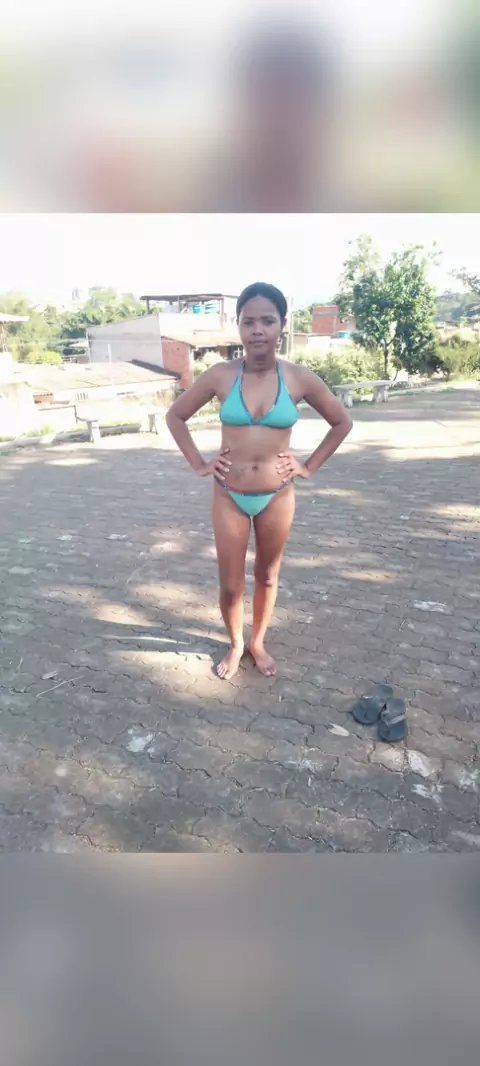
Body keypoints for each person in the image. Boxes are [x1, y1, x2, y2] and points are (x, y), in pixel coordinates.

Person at [166, 282, 352, 680]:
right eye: (248, 322)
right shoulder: (220, 375)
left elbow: (341, 422)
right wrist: (199, 463)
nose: (257, 330)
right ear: (238, 326)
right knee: (231, 584)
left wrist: (308, 466)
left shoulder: (299, 378)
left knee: (267, 575)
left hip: (278, 495)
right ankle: (236, 643)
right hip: (228, 495)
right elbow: (175, 415)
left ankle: (258, 642)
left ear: (282, 324)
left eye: (267, 321)